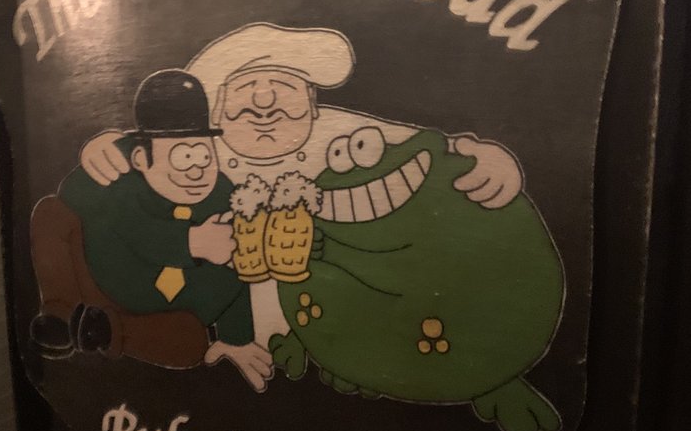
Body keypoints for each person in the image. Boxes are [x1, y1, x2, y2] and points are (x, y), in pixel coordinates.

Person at [79, 24, 524, 345]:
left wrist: (482, 155)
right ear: (218, 112)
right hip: (234, 323)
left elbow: (424, 149)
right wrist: (103, 147)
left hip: (338, 324)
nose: (264, 100)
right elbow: (151, 154)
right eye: (246, 87)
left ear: (313, 104)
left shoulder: (341, 134)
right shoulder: (205, 153)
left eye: (282, 85)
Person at [30, 68, 273, 392]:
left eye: (204, 155)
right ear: (142, 158)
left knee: (191, 343)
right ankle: (60, 314)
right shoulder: (126, 178)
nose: (197, 170)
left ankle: (105, 331)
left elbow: (239, 270)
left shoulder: (225, 198)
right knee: (50, 213)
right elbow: (77, 202)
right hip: (95, 283)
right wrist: (97, 154)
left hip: (152, 321)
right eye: (184, 156)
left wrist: (236, 338)